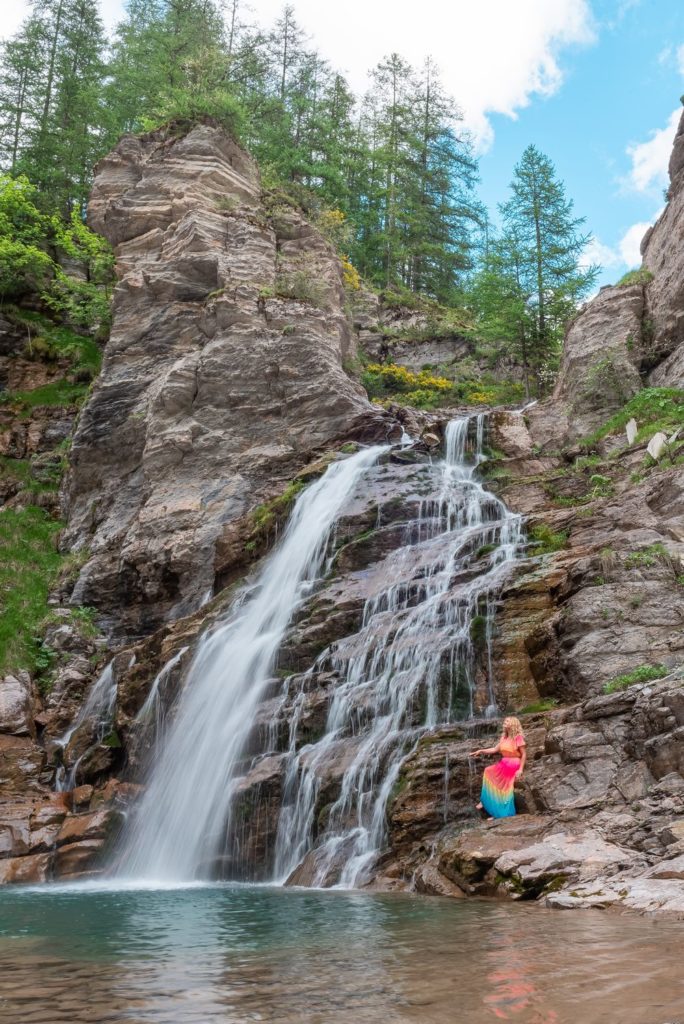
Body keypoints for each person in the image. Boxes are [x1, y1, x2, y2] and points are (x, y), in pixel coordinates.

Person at [470, 716, 526, 818]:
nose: (504, 722)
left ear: (513, 724)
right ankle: (485, 801)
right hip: (503, 763)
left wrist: (521, 769)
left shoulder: (518, 737)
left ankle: (501, 813)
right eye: (504, 721)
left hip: (513, 763)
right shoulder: (503, 737)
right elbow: (494, 749)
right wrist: (481, 750)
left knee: (505, 789)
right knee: (487, 771)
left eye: (507, 721)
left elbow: (524, 754)